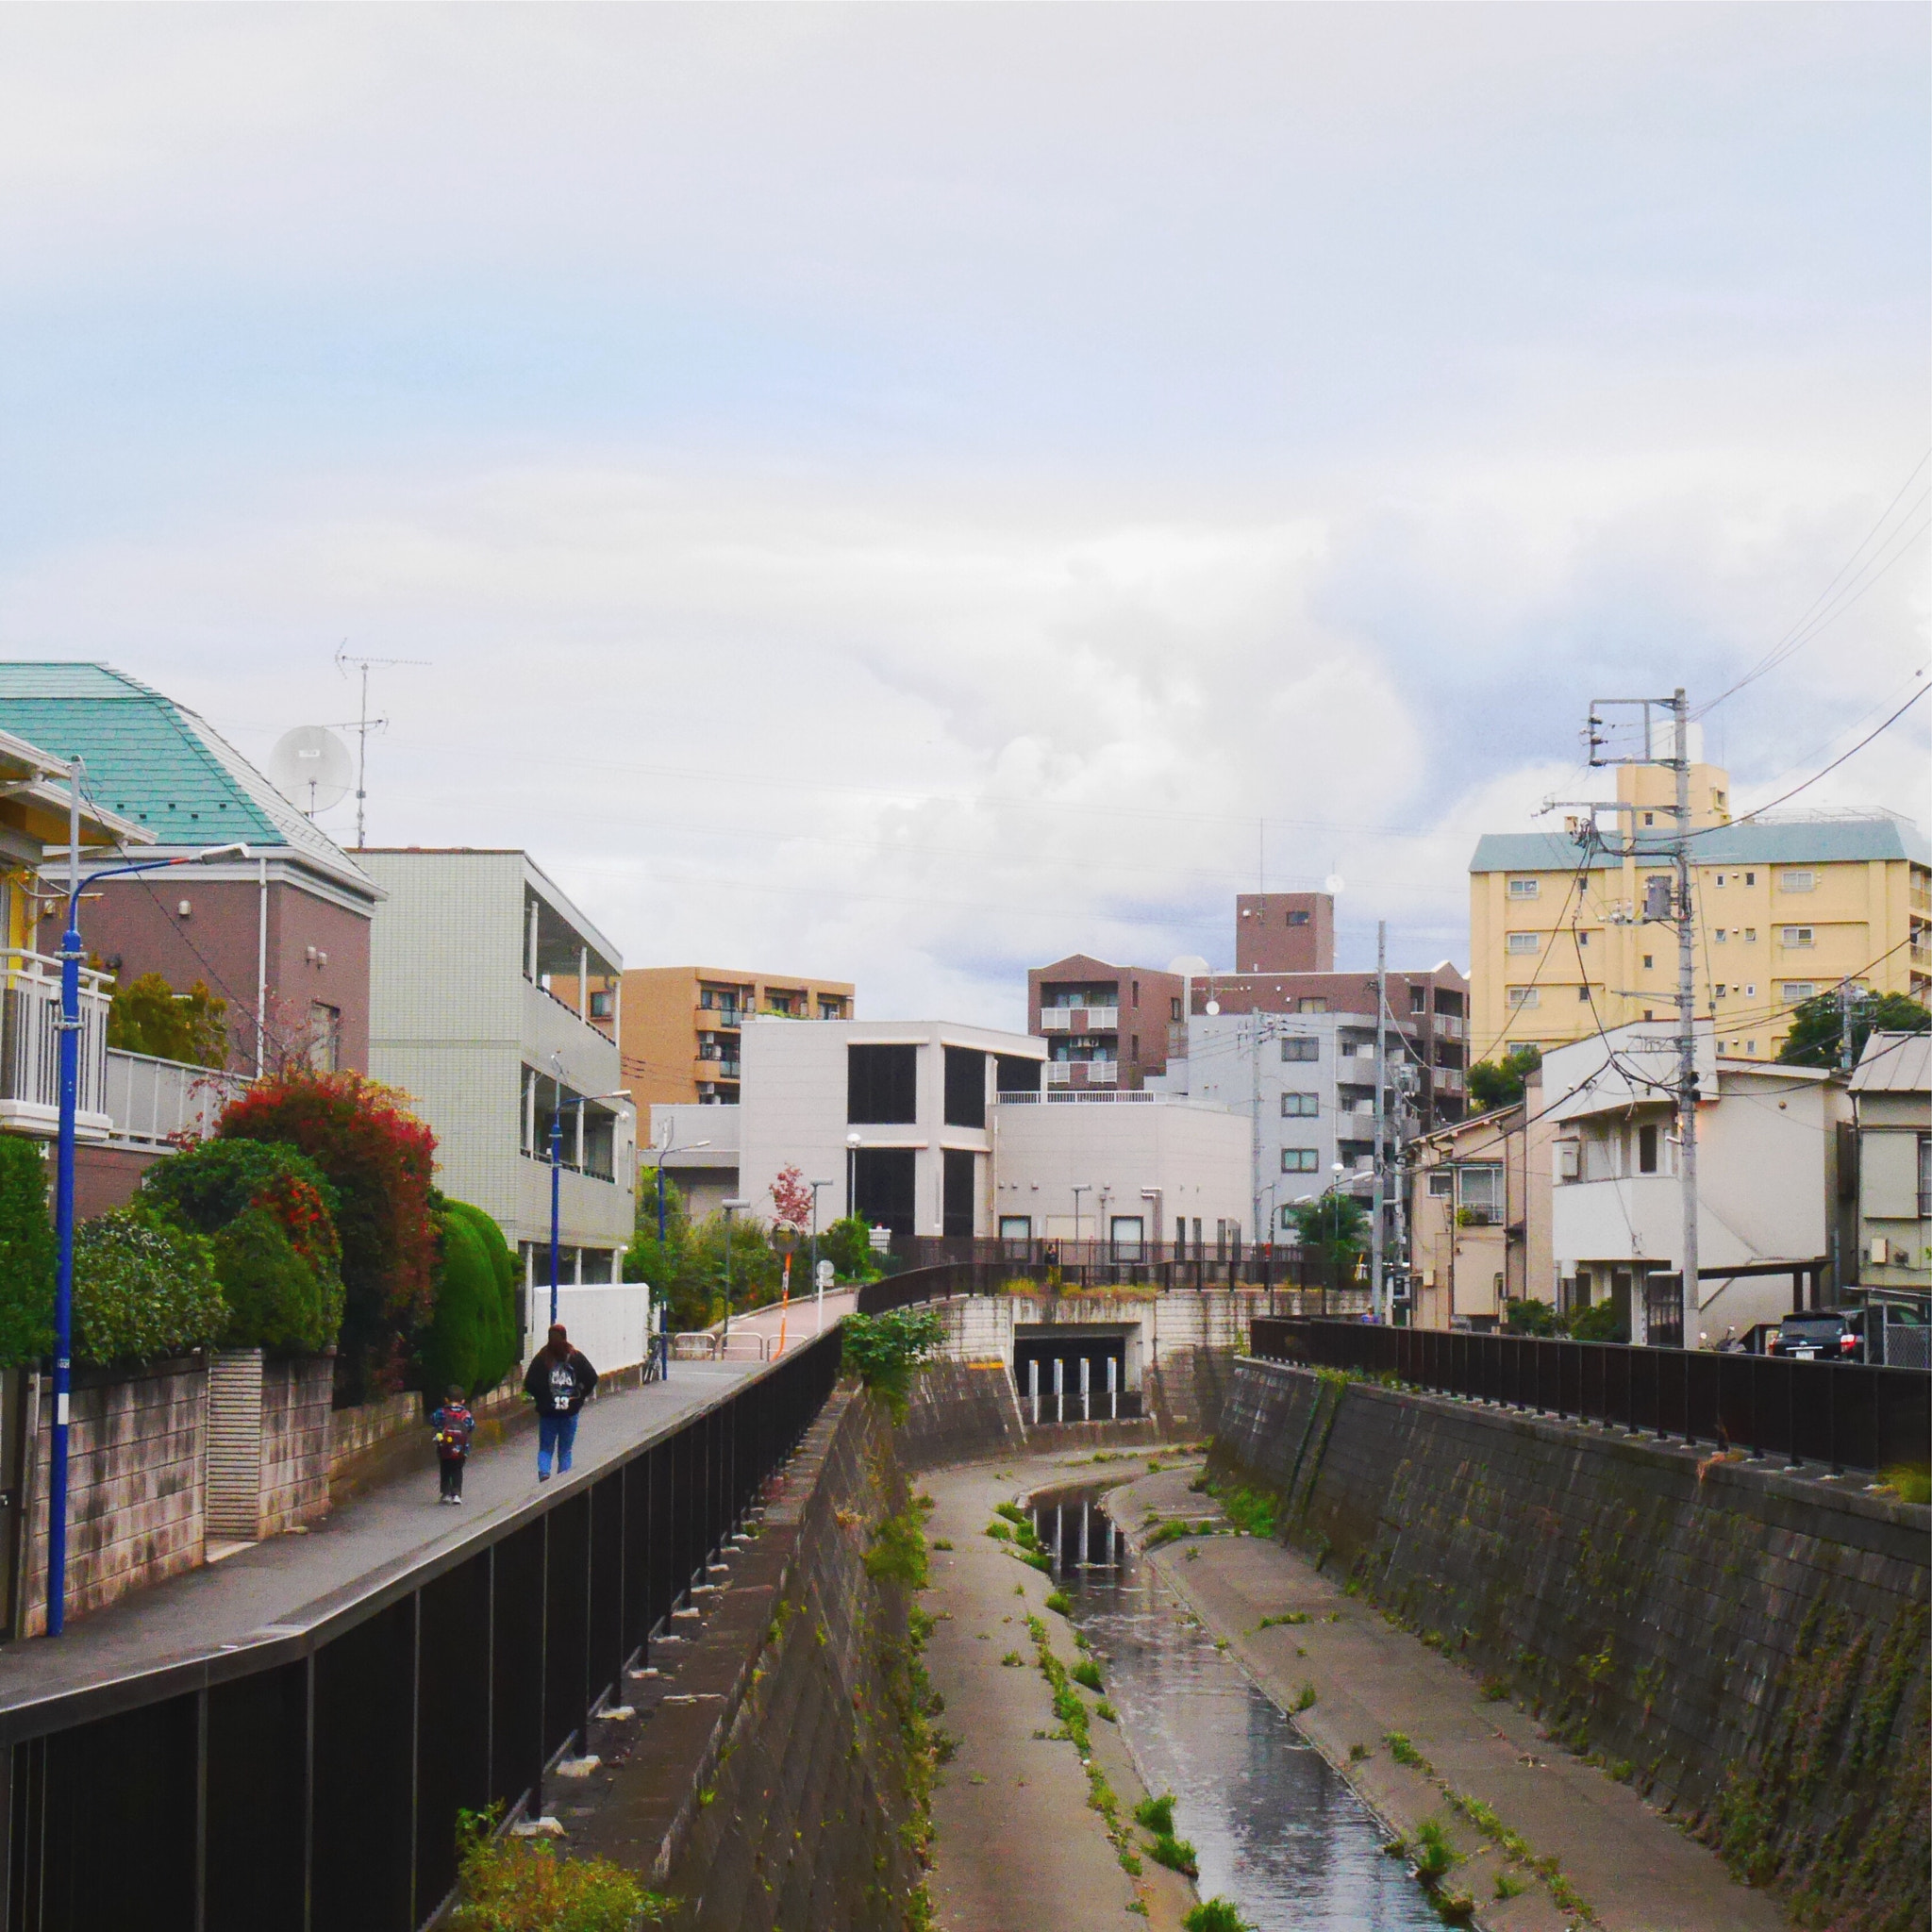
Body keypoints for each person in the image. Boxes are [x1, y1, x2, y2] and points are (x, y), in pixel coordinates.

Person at [523, 1324, 597, 1480]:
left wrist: (542, 1398)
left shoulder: (542, 1358)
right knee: (565, 1451)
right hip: (569, 1410)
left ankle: (544, 1473)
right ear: (565, 1337)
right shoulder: (575, 1356)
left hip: (548, 1412)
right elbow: (592, 1377)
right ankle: (563, 1482)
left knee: (545, 1448)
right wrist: (579, 1395)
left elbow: (529, 1383)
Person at [429, 1384, 475, 1505]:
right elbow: (471, 1426)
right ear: (463, 1401)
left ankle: (446, 1493)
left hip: (444, 1447)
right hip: (461, 1448)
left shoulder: (441, 1412)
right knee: (457, 1469)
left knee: (445, 1468)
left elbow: (432, 1420)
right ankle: (457, 1494)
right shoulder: (466, 1414)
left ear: (446, 1399)